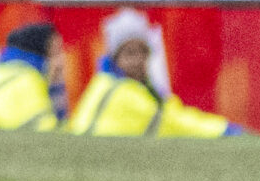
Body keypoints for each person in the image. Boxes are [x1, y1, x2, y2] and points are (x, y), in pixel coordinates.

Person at [66, 10, 239, 136]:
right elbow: (172, 122)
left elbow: (170, 111)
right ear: (115, 57)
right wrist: (224, 130)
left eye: (142, 52)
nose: (137, 60)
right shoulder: (121, 91)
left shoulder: (121, 84)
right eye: (129, 53)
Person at [0, 23, 62, 130]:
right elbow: (47, 131)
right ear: (40, 53)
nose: (61, 62)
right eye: (56, 52)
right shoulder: (29, 81)